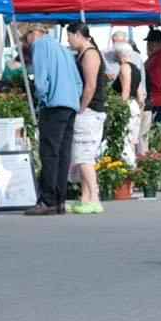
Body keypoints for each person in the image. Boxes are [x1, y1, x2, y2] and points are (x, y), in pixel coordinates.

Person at [18, 23, 80, 215]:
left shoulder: (40, 45)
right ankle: (60, 199)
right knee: (63, 154)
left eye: (26, 37)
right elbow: (78, 81)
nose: (27, 43)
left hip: (54, 104)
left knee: (49, 153)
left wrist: (41, 98)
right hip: (70, 104)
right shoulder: (63, 48)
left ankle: (47, 200)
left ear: (34, 33)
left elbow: (41, 77)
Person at [66, 22, 106, 214]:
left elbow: (90, 86)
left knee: (84, 156)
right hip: (88, 110)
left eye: (69, 36)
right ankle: (85, 197)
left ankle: (95, 198)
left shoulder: (90, 54)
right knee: (81, 155)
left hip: (90, 110)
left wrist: (81, 108)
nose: (68, 40)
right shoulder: (84, 53)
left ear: (78, 34)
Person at [113, 42, 144, 164]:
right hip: (135, 106)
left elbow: (125, 91)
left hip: (126, 106)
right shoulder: (136, 69)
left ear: (119, 55)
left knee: (124, 140)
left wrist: (118, 109)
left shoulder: (124, 67)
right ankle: (131, 174)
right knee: (131, 141)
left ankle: (128, 171)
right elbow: (141, 97)